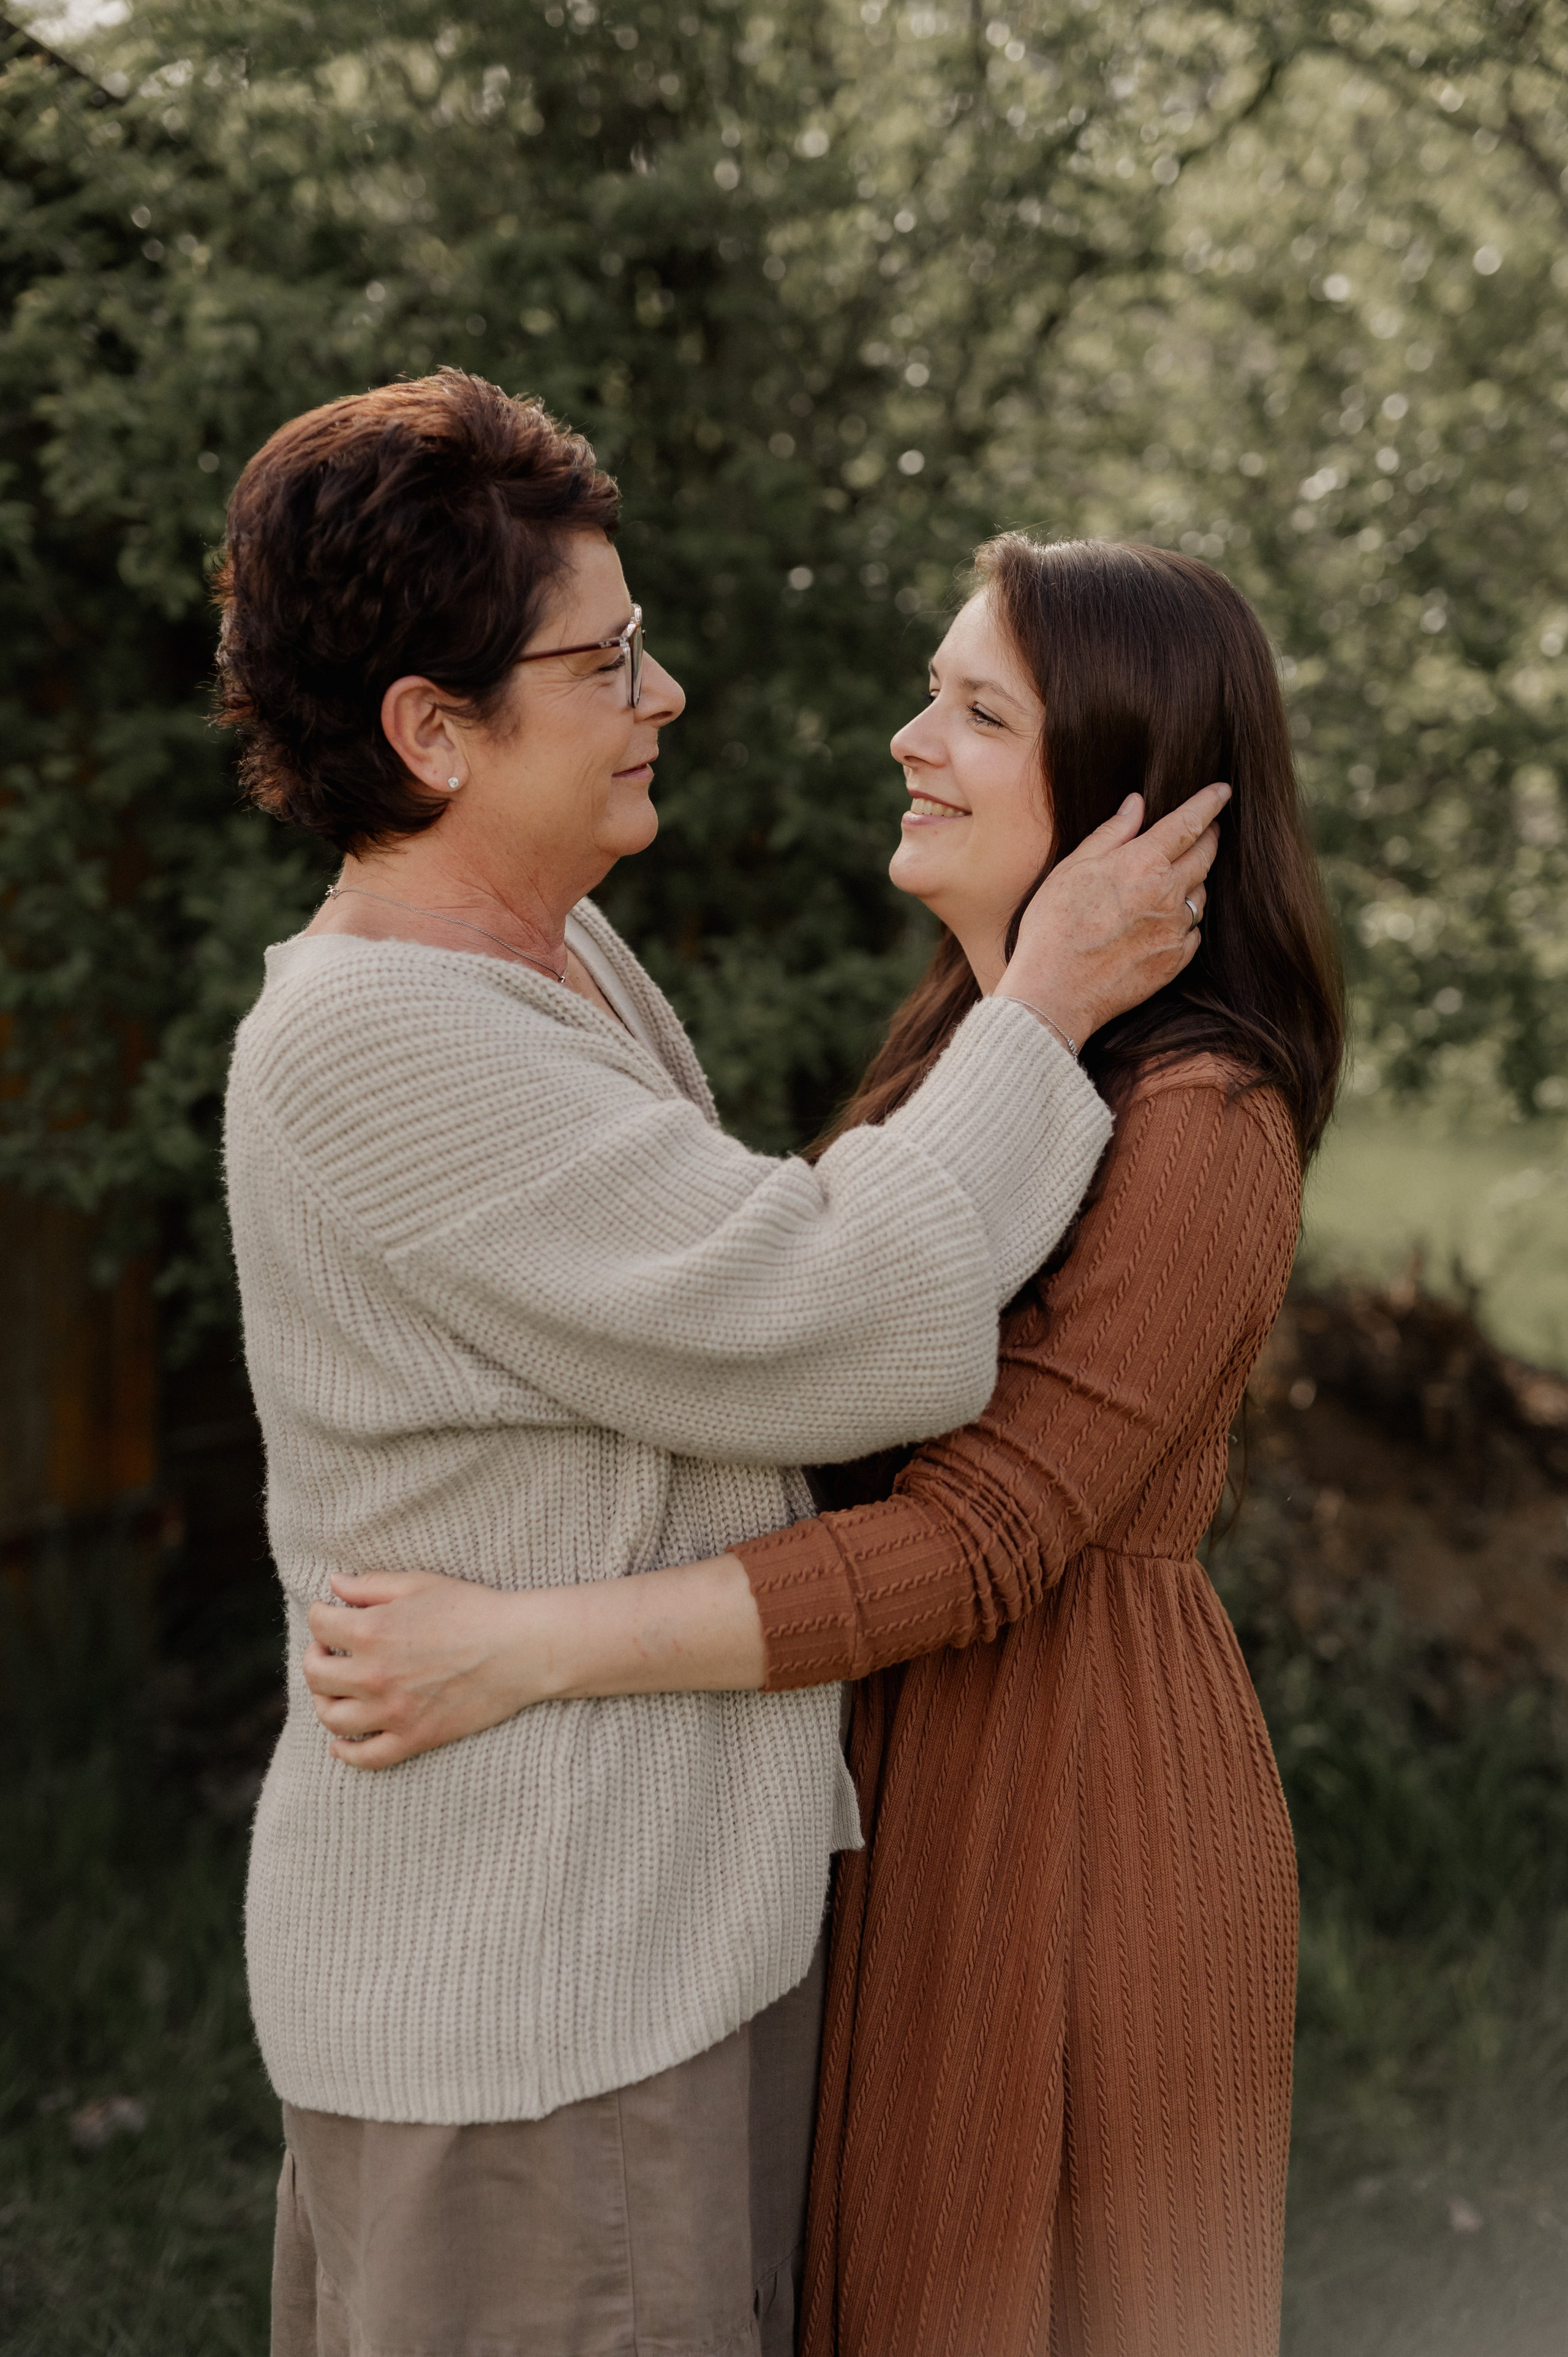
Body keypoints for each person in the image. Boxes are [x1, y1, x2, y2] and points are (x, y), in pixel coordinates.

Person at [219, 369, 1224, 2357]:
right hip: (542, 1988)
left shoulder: (551, 954)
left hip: (628, 1945)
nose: (659, 693)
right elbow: (838, 1327)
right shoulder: (382, 1036)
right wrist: (1048, 997)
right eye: (606, 660)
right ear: (435, 730)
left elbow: (756, 1285)